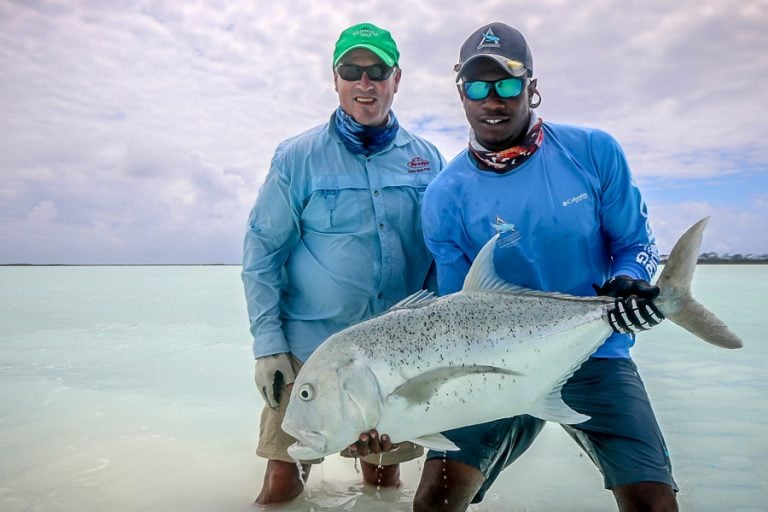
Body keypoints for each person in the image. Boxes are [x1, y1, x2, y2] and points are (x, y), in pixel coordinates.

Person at [412, 22, 676, 512]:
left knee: (654, 503)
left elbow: (634, 241)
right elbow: (456, 313)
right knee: (433, 502)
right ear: (461, 93)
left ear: (532, 88)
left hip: (597, 351)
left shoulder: (593, 152)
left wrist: (631, 280)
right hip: (498, 367)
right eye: (478, 86)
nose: (494, 100)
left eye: (509, 84)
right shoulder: (444, 196)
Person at [241, 22, 445, 505]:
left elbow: (440, 258)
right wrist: (267, 346)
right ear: (335, 79)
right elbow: (262, 251)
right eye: (351, 70)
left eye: (378, 70)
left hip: (395, 356)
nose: (365, 83)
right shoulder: (297, 157)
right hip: (307, 351)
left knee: (382, 483)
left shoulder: (427, 159)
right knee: (282, 482)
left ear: (398, 79)